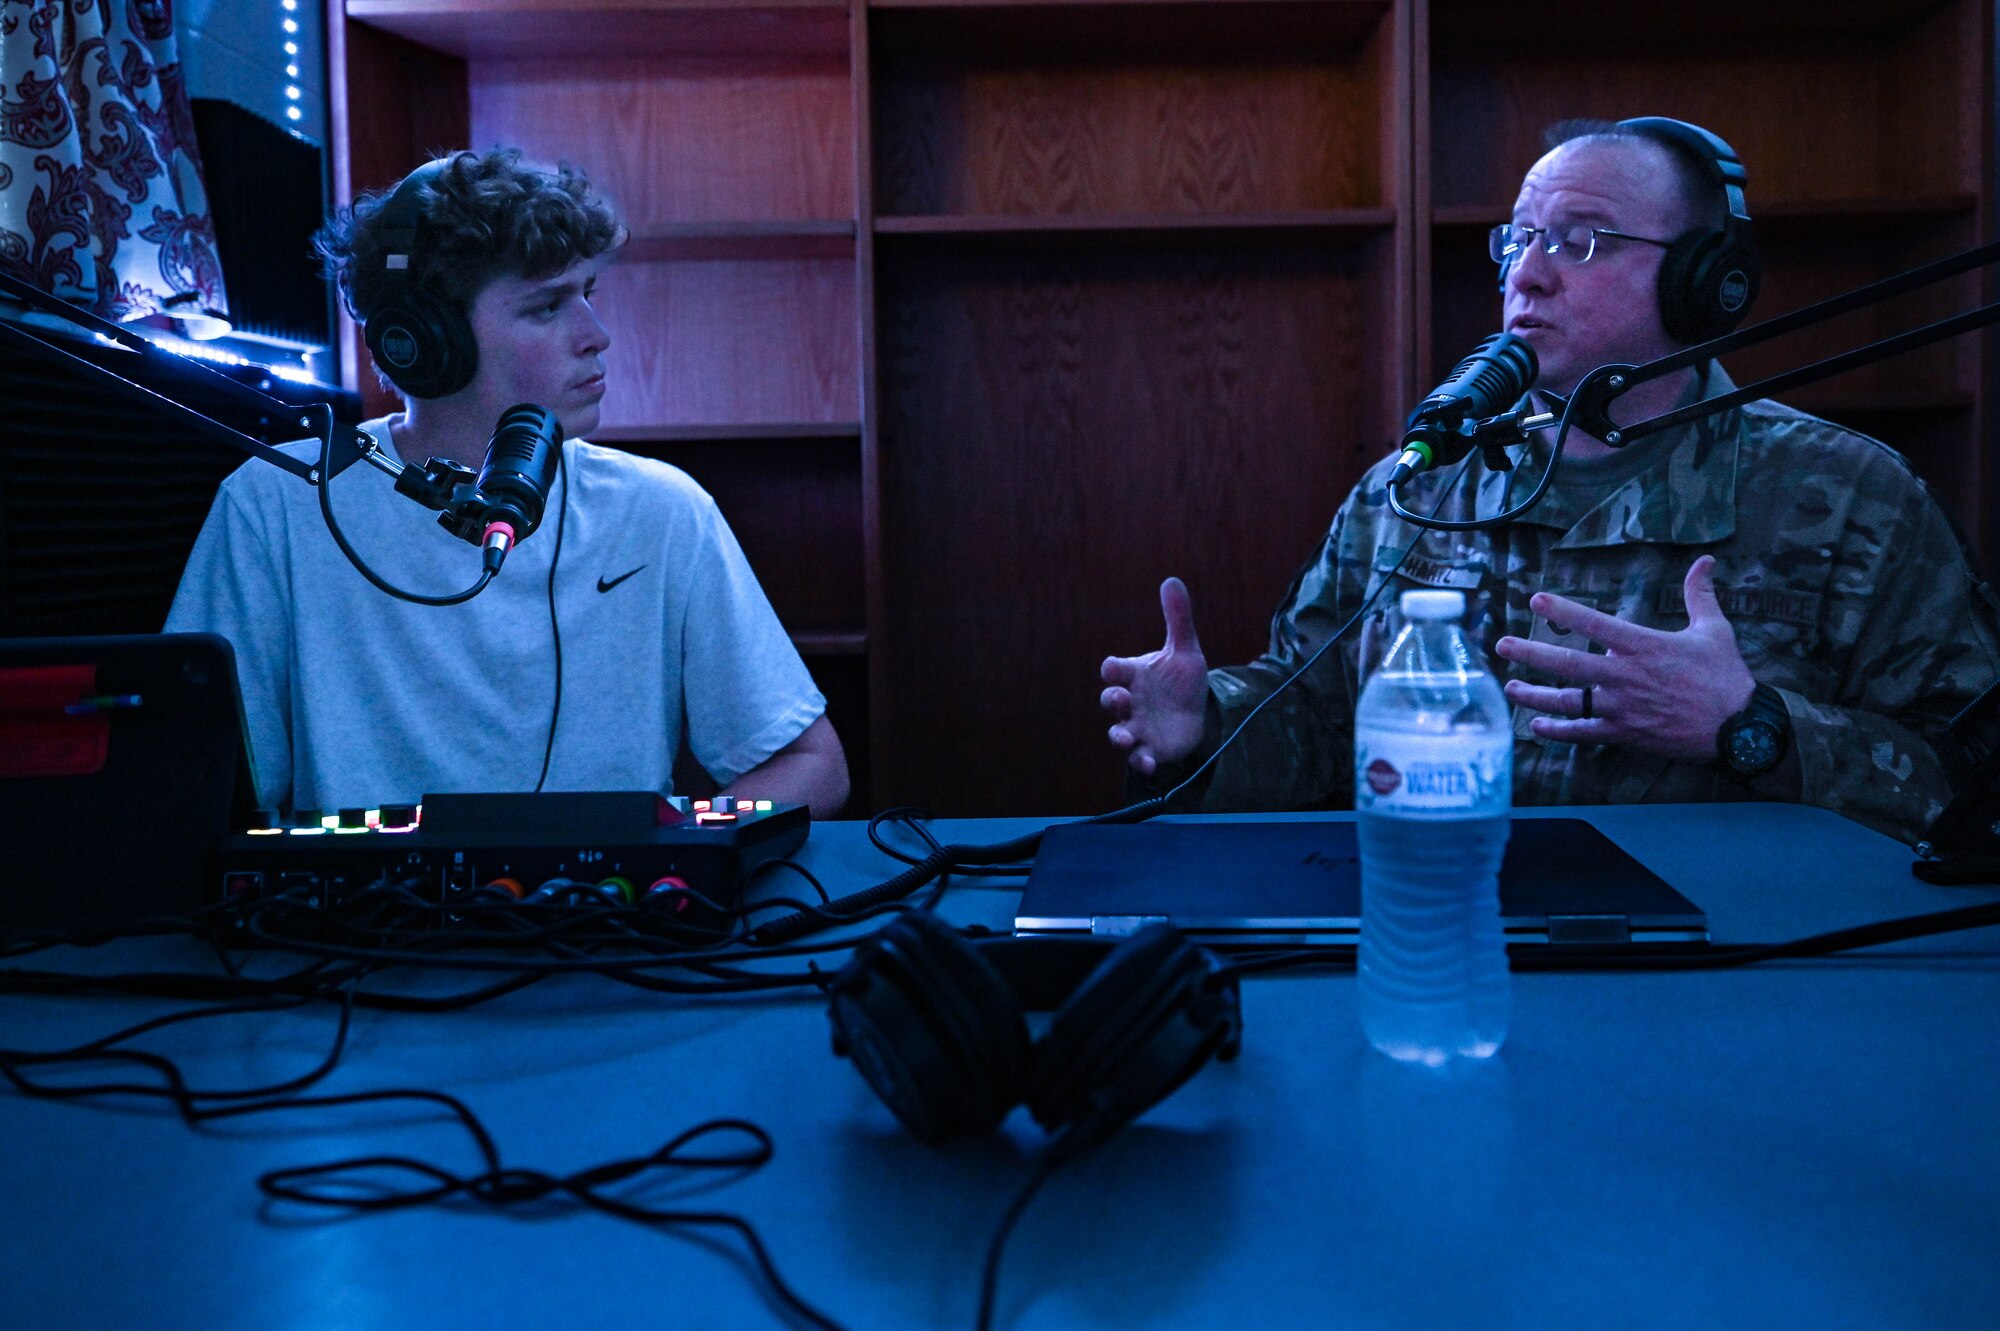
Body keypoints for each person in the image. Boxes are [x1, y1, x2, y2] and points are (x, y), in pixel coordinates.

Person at [1098, 118, 2000, 845]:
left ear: (1702, 282)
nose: (1526, 275)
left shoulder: (1852, 499)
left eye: (1579, 241)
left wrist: (1749, 725)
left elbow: (1973, 790)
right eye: (1519, 239)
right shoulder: (1415, 488)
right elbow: (1320, 728)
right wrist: (1207, 724)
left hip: (1733, 986)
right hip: (1447, 933)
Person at [167, 148, 849, 816]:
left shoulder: (662, 510)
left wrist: (669, 849)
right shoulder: (277, 501)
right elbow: (190, 790)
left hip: (601, 922)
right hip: (364, 928)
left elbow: (812, 766)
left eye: (588, 293)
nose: (597, 334)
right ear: (425, 340)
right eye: (547, 306)